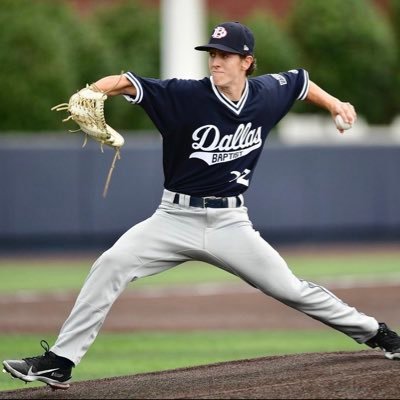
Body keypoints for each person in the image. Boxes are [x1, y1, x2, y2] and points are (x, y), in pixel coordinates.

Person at [3, 21, 400, 390]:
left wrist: (334, 104)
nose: (215, 61)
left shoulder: (265, 94)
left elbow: (300, 82)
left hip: (231, 222)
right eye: (212, 53)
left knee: (291, 290)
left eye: (225, 54)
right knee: (112, 263)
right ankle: (59, 362)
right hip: (173, 218)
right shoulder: (185, 95)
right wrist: (95, 90)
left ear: (247, 62)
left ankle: (379, 334)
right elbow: (128, 82)